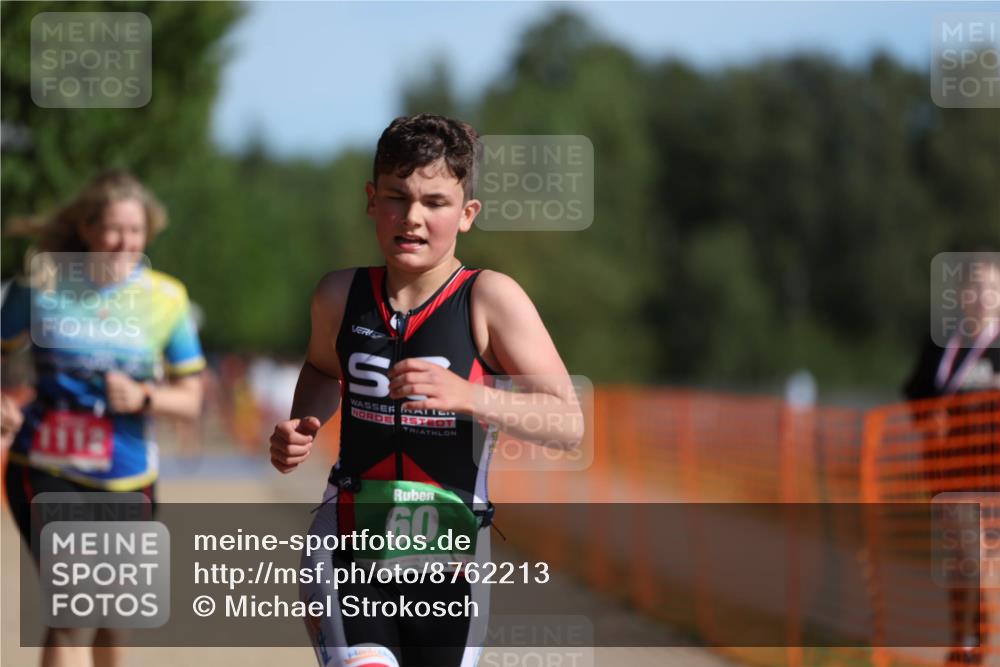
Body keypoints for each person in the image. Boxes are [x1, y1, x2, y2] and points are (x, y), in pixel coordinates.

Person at [269, 114, 582, 667]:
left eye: (435, 203)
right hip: (349, 541)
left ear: (466, 215)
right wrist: (304, 424)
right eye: (397, 197)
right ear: (372, 200)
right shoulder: (339, 295)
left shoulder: (490, 299)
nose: (412, 218)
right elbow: (322, 370)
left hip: (451, 558)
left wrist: (471, 395)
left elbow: (567, 423)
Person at [1, 170, 206, 667]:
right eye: (113, 229)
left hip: (129, 473)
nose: (123, 242)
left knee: (115, 613)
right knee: (73, 608)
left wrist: (143, 397)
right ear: (88, 229)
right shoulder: (41, 284)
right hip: (48, 463)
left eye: (135, 232)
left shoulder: (166, 298)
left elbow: (191, 398)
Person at [902, 252, 1000, 666]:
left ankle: (972, 641)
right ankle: (969, 642)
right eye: (976, 287)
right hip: (949, 475)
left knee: (972, 564)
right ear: (962, 295)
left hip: (993, 474)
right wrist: (931, 414)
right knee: (968, 561)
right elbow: (914, 392)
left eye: (992, 288)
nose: (983, 295)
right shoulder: (943, 342)